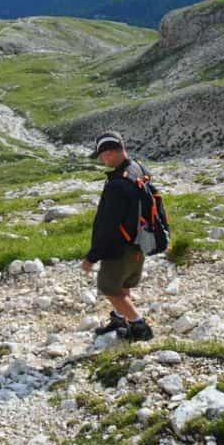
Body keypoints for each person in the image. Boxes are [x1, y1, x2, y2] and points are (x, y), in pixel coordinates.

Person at [82, 132, 155, 342]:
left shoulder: (117, 185)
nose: (101, 160)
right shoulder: (138, 169)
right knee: (123, 284)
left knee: (109, 287)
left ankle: (139, 326)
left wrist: (92, 257)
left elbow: (107, 225)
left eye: (102, 155)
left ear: (110, 152)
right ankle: (119, 319)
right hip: (140, 241)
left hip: (119, 248)